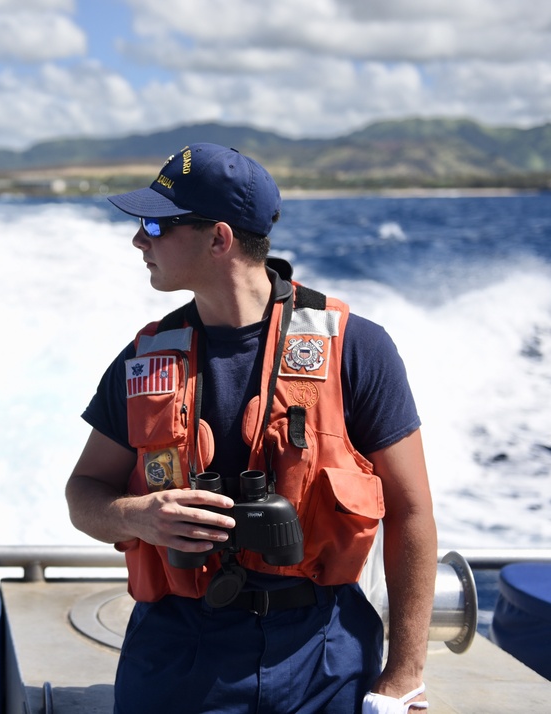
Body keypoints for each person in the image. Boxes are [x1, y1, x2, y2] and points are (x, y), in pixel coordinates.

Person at [65, 143, 437, 714]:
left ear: (219, 238)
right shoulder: (143, 361)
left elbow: (412, 512)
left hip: (325, 656)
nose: (139, 240)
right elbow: (83, 492)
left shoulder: (355, 349)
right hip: (177, 658)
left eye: (155, 224)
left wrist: (403, 676)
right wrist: (136, 516)